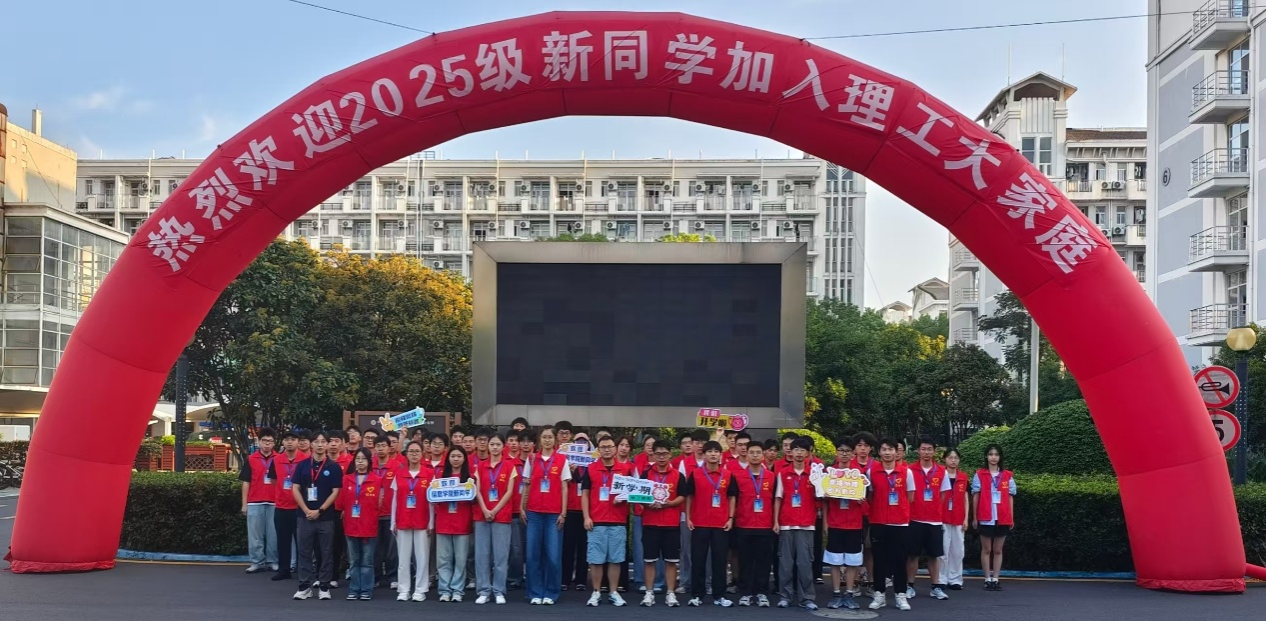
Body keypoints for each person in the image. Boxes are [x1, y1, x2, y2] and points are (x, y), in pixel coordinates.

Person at [682, 440, 735, 607]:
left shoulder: (728, 475)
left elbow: (732, 497)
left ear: (720, 455)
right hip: (700, 522)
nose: (713, 454)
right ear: (704, 455)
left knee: (720, 560)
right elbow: (689, 496)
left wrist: (730, 518)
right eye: (709, 452)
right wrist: (688, 517)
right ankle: (697, 595)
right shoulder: (696, 474)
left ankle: (719, 595)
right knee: (698, 559)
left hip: (721, 523)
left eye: (716, 451)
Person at [291, 431, 343, 601]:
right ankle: (304, 586)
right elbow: (295, 488)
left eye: (323, 442)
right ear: (311, 444)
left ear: (327, 444)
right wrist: (306, 510)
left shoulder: (333, 467)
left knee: (326, 552)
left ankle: (324, 586)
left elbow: (335, 492)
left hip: (326, 517)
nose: (320, 445)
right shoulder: (302, 465)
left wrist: (319, 510)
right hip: (304, 516)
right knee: (304, 552)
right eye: (317, 441)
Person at [581, 435, 633, 606]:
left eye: (610, 446)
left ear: (615, 448)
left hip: (618, 520)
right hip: (597, 520)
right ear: (598, 450)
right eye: (603, 447)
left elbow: (633, 493)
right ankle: (596, 592)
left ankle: (613, 592)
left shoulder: (625, 469)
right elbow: (585, 494)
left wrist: (623, 498)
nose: (607, 449)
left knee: (616, 559)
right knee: (595, 559)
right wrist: (586, 516)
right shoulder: (591, 469)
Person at [522, 425, 570, 605]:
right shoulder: (532, 459)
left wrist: (563, 512)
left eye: (550, 437)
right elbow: (526, 485)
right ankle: (535, 592)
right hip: (533, 512)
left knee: (553, 556)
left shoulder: (562, 460)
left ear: (555, 440)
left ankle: (551, 592)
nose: (547, 440)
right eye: (544, 437)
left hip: (553, 514)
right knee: (532, 555)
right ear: (539, 440)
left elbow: (565, 488)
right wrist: (522, 507)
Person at [867, 437, 914, 611]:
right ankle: (879, 594)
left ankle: (900, 595)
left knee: (899, 561)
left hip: (899, 523)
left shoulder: (906, 472)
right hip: (878, 521)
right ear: (879, 452)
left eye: (890, 449)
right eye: (884, 449)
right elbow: (870, 496)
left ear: (897, 451)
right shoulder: (872, 472)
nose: (887, 453)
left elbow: (910, 497)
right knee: (879, 560)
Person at [638, 439, 684, 607]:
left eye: (664, 453)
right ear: (653, 455)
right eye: (658, 454)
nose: (662, 457)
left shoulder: (678, 475)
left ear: (670, 454)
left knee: (671, 560)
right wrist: (647, 503)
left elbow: (682, 496)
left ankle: (670, 593)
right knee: (649, 560)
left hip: (671, 524)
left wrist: (668, 504)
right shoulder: (646, 474)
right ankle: (649, 592)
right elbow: (639, 495)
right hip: (650, 522)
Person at [474, 433, 517, 604]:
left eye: (498, 444)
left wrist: (495, 510)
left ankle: (499, 590)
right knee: (482, 555)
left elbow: (509, 492)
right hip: (482, 515)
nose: (494, 447)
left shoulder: (510, 466)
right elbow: (477, 490)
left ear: (503, 446)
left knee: (501, 556)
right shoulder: (480, 466)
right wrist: (485, 509)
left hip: (502, 516)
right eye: (492, 444)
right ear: (488, 446)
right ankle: (484, 590)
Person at [774, 437, 817, 610]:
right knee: (785, 564)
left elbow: (822, 496)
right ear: (790, 452)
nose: (799, 453)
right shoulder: (783, 473)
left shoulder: (815, 474)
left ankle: (807, 598)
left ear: (808, 453)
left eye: (802, 450)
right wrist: (776, 521)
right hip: (786, 523)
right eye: (796, 449)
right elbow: (778, 498)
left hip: (807, 524)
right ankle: (785, 596)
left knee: (805, 563)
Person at [907, 436, 951, 601]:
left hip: (934, 520)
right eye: (923, 449)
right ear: (918, 451)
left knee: (934, 555)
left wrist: (933, 508)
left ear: (934, 451)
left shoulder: (941, 471)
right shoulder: (910, 470)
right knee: (913, 555)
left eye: (929, 449)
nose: (926, 452)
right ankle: (910, 586)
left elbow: (943, 495)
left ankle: (935, 587)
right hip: (914, 519)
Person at [733, 439, 775, 608]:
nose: (755, 456)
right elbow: (733, 500)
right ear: (747, 455)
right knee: (745, 561)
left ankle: (762, 592)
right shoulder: (738, 476)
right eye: (752, 452)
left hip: (765, 525)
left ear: (763, 455)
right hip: (744, 525)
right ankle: (746, 592)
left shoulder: (771, 476)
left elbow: (775, 501)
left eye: (758, 452)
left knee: (763, 561)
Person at [823, 441, 865, 610]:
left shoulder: (860, 475)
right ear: (836, 453)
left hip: (854, 524)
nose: (845, 454)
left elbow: (868, 501)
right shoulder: (829, 474)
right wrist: (825, 522)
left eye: (848, 451)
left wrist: (862, 500)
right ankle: (835, 593)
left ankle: (848, 593)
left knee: (853, 562)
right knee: (835, 561)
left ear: (853, 454)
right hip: (835, 523)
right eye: (841, 450)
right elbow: (823, 502)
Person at [339, 448, 382, 600]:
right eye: (357, 459)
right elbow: (341, 503)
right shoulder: (347, 479)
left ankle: (366, 590)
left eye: (363, 459)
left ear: (369, 461)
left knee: (367, 561)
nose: (360, 462)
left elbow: (380, 503)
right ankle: (354, 588)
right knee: (354, 561)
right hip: (351, 525)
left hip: (369, 526)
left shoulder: (377, 480)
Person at [394, 440, 434, 602]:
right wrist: (393, 522)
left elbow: (432, 500)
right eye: (411, 451)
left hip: (422, 520)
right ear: (406, 454)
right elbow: (395, 499)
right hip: (403, 519)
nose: (414, 454)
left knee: (422, 557)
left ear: (422, 454)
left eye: (417, 451)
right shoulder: (399, 473)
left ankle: (420, 589)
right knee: (403, 558)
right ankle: (403, 589)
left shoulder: (429, 474)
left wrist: (431, 521)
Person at [973, 445, 1015, 592]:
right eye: (990, 454)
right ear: (986, 456)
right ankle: (987, 579)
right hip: (986, 516)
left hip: (1002, 516)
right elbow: (975, 496)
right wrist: (975, 517)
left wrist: (1011, 517)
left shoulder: (1007, 475)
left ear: (1000, 457)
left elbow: (1010, 497)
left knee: (998, 550)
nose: (993, 457)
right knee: (986, 549)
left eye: (996, 454)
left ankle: (995, 578)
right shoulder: (980, 474)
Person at [435, 446, 474, 602]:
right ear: (448, 458)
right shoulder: (439, 477)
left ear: (464, 459)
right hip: (443, 522)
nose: (456, 459)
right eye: (453, 456)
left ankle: (457, 590)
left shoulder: (470, 478)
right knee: (443, 559)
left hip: (462, 523)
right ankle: (445, 590)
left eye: (459, 456)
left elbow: (474, 500)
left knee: (460, 559)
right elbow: (432, 498)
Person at [240, 427, 279, 574]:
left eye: (270, 441)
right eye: (264, 441)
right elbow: (246, 482)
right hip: (255, 502)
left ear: (274, 443)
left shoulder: (279, 459)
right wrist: (244, 504)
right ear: (259, 442)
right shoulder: (251, 459)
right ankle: (256, 562)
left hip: (274, 502)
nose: (267, 444)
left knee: (273, 535)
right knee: (255, 535)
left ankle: (273, 561)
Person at [271, 431, 304, 581]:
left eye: (293, 439)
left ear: (298, 442)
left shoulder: (306, 459)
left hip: (299, 507)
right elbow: (273, 480)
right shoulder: (276, 460)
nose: (290, 442)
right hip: (281, 507)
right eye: (287, 439)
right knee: (282, 540)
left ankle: (302, 570)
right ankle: (284, 570)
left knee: (302, 541)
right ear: (283, 442)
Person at [561, 428, 590, 591]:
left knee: (583, 547)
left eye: (584, 441)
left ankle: (581, 580)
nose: (581, 443)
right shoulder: (566, 461)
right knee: (568, 546)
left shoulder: (593, 463)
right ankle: (565, 579)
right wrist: (570, 472)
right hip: (570, 509)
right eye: (578, 441)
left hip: (586, 511)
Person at [850, 432, 878, 597]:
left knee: (869, 550)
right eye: (859, 445)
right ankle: (853, 584)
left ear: (871, 448)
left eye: (866, 446)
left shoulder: (876, 467)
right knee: (854, 550)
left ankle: (871, 583)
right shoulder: (847, 466)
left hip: (870, 515)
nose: (862, 449)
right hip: (851, 515)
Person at [371, 436, 400, 589]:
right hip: (373, 514)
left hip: (390, 513)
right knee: (375, 549)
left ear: (389, 448)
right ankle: (375, 576)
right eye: (378, 446)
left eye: (383, 445)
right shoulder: (369, 465)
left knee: (391, 549)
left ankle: (392, 576)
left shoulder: (397, 466)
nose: (381, 448)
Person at [938, 448, 968, 591]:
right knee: (943, 551)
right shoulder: (939, 475)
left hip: (958, 518)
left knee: (958, 551)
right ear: (945, 459)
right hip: (942, 518)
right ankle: (941, 579)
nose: (953, 460)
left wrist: (966, 518)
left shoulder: (963, 477)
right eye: (950, 457)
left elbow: (965, 499)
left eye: (956, 457)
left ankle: (955, 579)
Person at [505, 430, 526, 592]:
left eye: (516, 441)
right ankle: (514, 578)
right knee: (516, 549)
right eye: (511, 440)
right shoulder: (508, 463)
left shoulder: (533, 461)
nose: (514, 443)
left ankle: (531, 576)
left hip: (532, 511)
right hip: (512, 511)